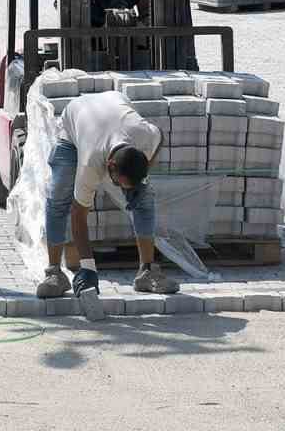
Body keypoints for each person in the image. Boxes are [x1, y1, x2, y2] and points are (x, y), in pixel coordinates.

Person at [35, 89, 178, 320]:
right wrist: (88, 267)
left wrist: (138, 182)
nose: (120, 189)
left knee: (144, 196)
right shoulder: (90, 162)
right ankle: (54, 273)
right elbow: (78, 214)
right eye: (119, 183)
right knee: (59, 196)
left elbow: (159, 136)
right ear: (110, 165)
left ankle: (147, 271)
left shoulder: (144, 136)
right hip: (75, 125)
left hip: (113, 107)